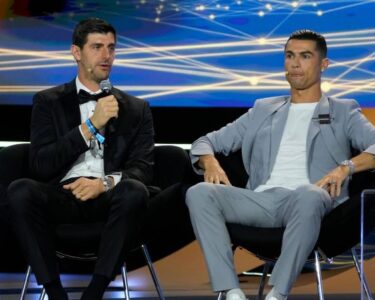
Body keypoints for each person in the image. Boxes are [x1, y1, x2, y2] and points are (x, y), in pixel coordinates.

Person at [185, 29, 375, 300]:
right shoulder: (263, 109)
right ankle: (231, 291)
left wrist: (346, 167)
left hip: (313, 201)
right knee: (199, 193)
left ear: (323, 65)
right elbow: (204, 142)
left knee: (308, 193)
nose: (295, 64)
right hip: (261, 200)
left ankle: (278, 293)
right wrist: (210, 162)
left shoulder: (344, 111)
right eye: (289, 56)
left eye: (305, 56)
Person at [7, 18, 154, 300]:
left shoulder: (136, 109)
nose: (107, 56)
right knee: (20, 191)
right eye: (97, 47)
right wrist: (90, 126)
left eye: (111, 48)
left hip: (109, 199)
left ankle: (95, 292)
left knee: (135, 190)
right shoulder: (47, 102)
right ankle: (54, 291)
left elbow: (143, 169)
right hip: (62, 196)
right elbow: (40, 164)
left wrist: (105, 184)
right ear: (76, 52)